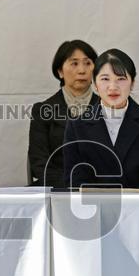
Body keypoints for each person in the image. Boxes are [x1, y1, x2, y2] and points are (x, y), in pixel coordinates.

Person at [62, 48, 139, 189]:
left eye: (121, 79)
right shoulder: (77, 127)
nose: (113, 87)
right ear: (95, 84)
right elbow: (75, 182)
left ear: (132, 83)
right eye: (105, 79)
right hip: (94, 209)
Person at [27, 40, 97, 187]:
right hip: (57, 189)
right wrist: (68, 189)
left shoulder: (108, 108)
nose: (82, 70)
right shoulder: (43, 110)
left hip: (100, 190)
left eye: (88, 63)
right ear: (60, 72)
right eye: (74, 63)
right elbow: (39, 162)